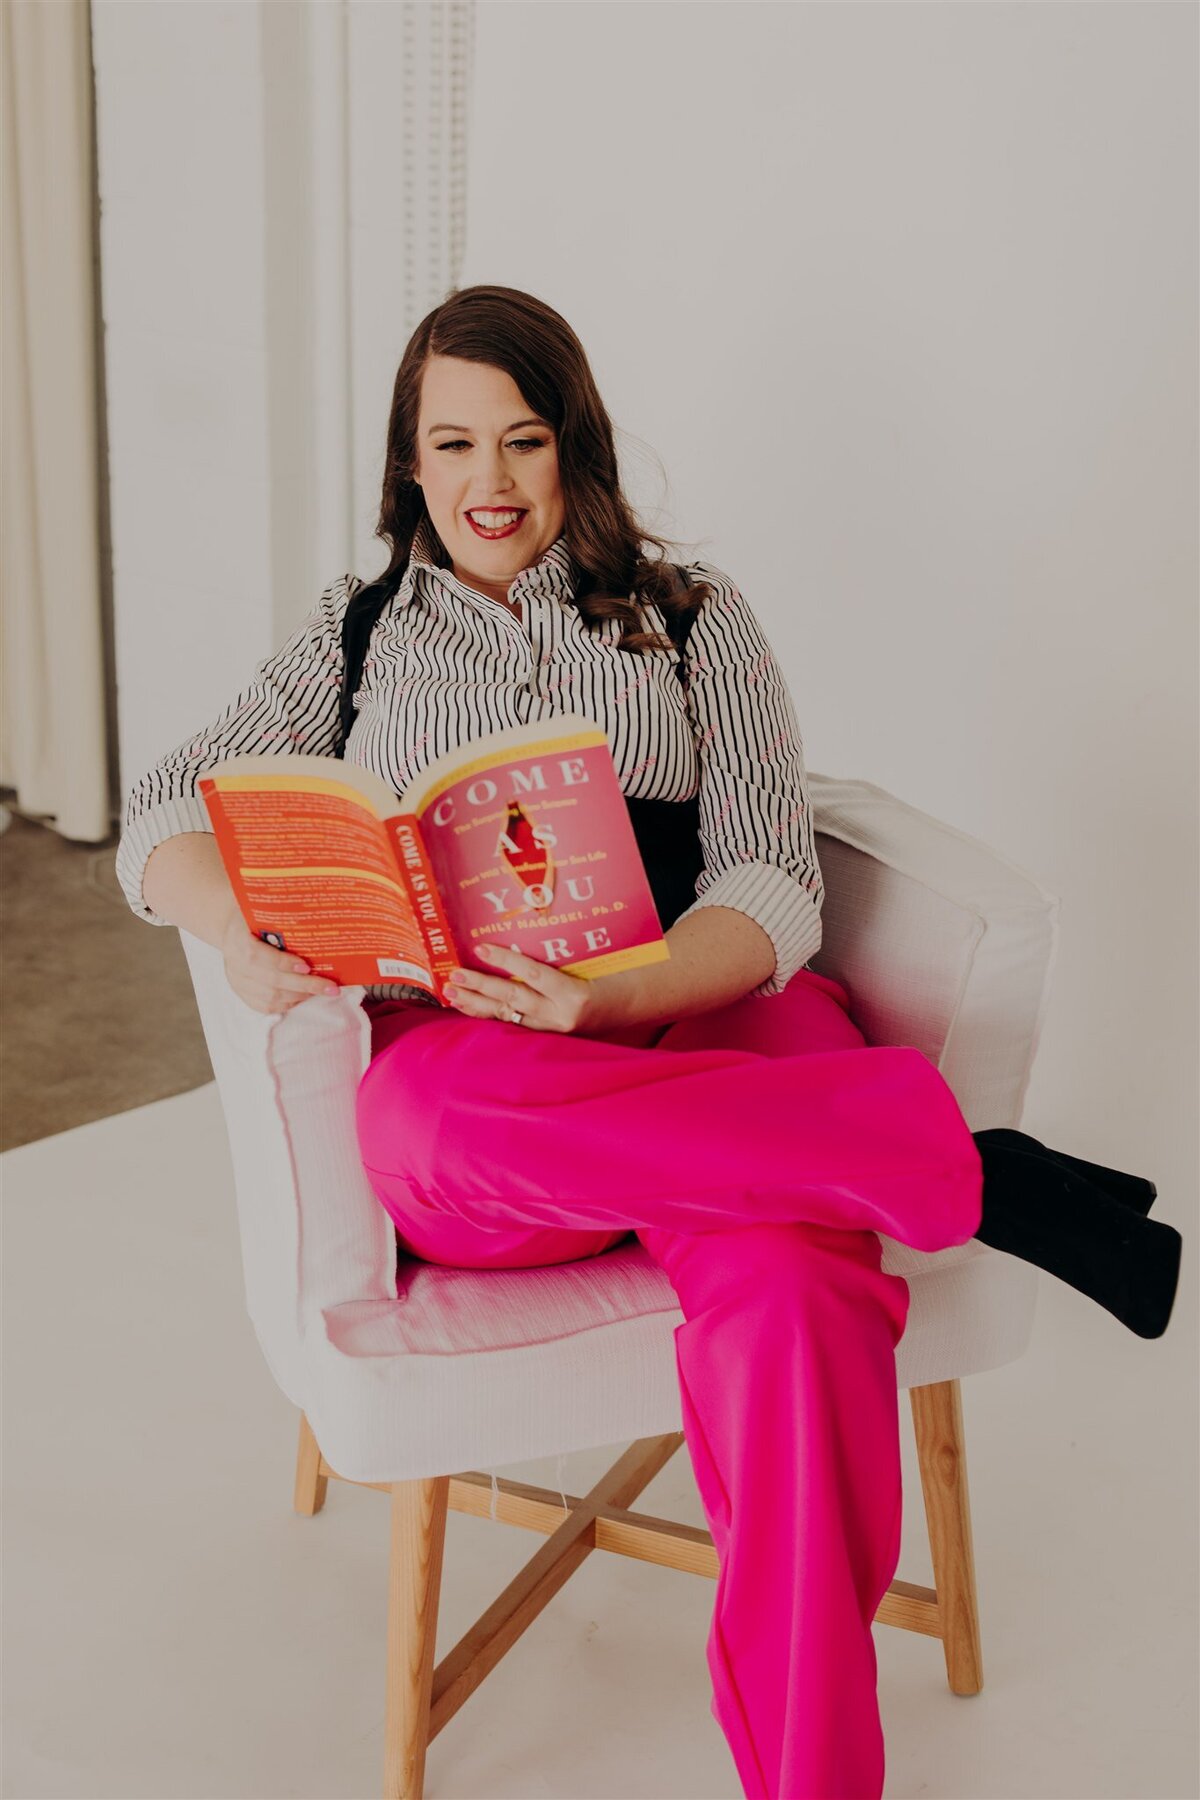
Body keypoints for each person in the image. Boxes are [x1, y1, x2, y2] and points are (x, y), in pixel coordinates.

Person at [116, 284, 1180, 1800]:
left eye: (525, 440)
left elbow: (770, 875)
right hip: (497, 1090)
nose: (490, 481)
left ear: (576, 448)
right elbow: (160, 810)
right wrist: (236, 925)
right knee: (418, 1131)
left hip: (710, 1018)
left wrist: (622, 994)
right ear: (408, 465)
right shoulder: (350, 638)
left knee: (799, 1302)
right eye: (453, 444)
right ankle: (958, 1164)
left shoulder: (692, 620)